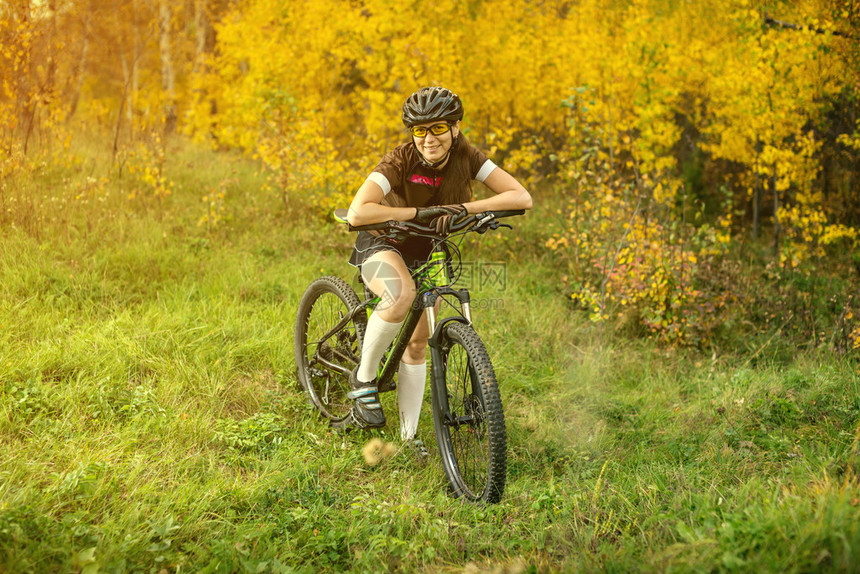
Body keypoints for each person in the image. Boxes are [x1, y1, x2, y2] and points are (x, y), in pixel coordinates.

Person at [345, 86, 532, 451]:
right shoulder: (399, 160)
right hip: (383, 243)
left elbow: (520, 196)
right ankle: (364, 379)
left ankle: (409, 438)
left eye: (438, 128)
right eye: (419, 130)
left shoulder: (468, 157)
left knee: (416, 345)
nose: (428, 139)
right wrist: (416, 214)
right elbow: (358, 212)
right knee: (401, 295)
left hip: (429, 249)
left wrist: (464, 210)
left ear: (455, 127)